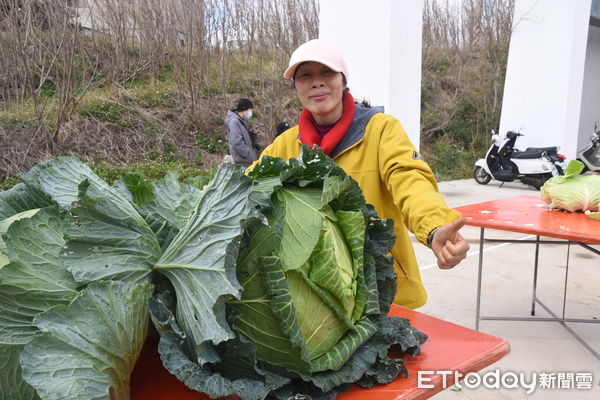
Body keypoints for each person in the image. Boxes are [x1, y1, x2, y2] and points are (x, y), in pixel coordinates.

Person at [247, 39, 470, 309]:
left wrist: (434, 228)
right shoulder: (285, 144)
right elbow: (246, 188)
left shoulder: (380, 130)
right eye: (305, 75)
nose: (317, 82)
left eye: (326, 73)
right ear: (295, 87)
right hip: (315, 300)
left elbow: (410, 179)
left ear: (343, 80)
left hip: (384, 292)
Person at [225, 98, 259, 168]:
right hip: (242, 162)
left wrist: (251, 134)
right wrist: (248, 154)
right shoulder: (234, 121)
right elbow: (237, 143)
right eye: (250, 109)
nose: (251, 111)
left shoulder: (240, 121)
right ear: (245, 109)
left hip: (245, 160)